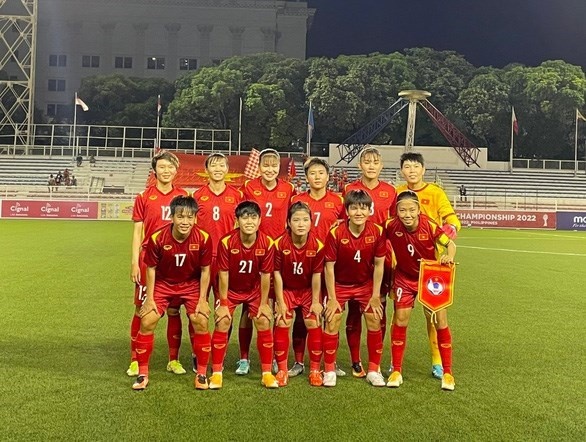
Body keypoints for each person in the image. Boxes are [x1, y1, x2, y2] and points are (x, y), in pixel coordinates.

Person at [132, 196, 213, 390]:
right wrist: (149, 299)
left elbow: (205, 270)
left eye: (190, 217)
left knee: (201, 320)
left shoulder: (203, 238)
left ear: (195, 218)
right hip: (163, 284)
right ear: (172, 217)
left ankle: (202, 374)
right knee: (147, 320)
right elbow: (151, 269)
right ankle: (142, 374)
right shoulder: (157, 238)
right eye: (180, 217)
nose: (185, 222)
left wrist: (203, 300)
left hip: (190, 285)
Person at [395, 152, 460, 379]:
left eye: (416, 167)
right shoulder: (398, 193)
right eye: (407, 167)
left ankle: (437, 361)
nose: (411, 171)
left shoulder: (435, 192)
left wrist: (448, 233)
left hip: (432, 265)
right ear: (401, 171)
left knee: (433, 316)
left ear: (423, 169)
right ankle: (395, 364)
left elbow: (452, 220)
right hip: (402, 264)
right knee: (399, 314)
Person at [385, 191, 456, 390]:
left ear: (418, 210)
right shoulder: (390, 225)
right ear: (397, 211)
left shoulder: (430, 225)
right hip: (404, 277)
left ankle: (447, 372)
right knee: (400, 319)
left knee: (440, 320)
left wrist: (448, 256)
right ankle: (396, 370)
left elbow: (450, 244)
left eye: (411, 210)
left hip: (430, 277)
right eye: (402, 210)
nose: (407, 214)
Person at [127, 151, 190, 378]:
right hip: (149, 258)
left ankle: (173, 359)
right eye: (162, 167)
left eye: (170, 167)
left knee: (174, 309)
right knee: (141, 309)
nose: (166, 171)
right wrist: (135, 262)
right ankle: (135, 360)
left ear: (176, 170)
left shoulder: (183, 196)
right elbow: (137, 233)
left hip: (175, 260)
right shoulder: (144, 196)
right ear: (154, 170)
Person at [237, 149, 295, 375]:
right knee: (248, 306)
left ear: (279, 168)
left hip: (279, 251)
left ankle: (274, 357)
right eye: (266, 165)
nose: (270, 169)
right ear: (259, 167)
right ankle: (244, 358)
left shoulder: (288, 188)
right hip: (255, 251)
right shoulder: (249, 187)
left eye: (274, 165)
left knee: (276, 304)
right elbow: (243, 216)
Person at [209, 201, 278, 389]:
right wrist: (223, 303)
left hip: (254, 291)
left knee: (263, 320)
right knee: (223, 321)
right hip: (230, 290)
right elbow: (223, 274)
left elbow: (266, 275)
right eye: (245, 217)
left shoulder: (267, 243)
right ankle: (216, 373)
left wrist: (263, 303)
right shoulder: (226, 242)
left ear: (260, 220)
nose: (249, 221)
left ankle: (266, 374)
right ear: (237, 220)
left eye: (253, 217)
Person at [322, 190, 387, 387]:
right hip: (339, 285)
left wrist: (375, 295)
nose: (359, 212)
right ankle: (329, 369)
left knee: (375, 318)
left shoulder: (377, 231)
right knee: (332, 319)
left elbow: (379, 265)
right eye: (354, 208)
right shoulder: (336, 233)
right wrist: (332, 298)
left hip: (364, 285)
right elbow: (329, 267)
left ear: (369, 210)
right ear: (347, 211)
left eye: (363, 208)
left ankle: (374, 370)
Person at [342, 146, 396, 377]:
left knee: (378, 308)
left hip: (381, 257)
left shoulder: (390, 191)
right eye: (367, 162)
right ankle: (355, 361)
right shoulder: (350, 189)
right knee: (354, 309)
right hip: (355, 256)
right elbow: (342, 221)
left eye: (375, 162)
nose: (371, 166)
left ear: (381, 166)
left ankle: (376, 362)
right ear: (359, 165)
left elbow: (394, 224)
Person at [288, 157, 344, 377]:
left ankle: (330, 361)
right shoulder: (297, 200)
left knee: (331, 314)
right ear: (306, 177)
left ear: (328, 176)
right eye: (312, 173)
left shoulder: (338, 201)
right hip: (303, 264)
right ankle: (298, 361)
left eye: (321, 173)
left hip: (329, 265)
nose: (317, 177)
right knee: (302, 315)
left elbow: (344, 227)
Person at [273, 202, 326, 387]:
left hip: (308, 290)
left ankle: (314, 370)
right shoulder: (279, 243)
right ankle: (282, 370)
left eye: (305, 220)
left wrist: (316, 301)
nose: (301, 224)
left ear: (311, 222)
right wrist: (280, 302)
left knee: (313, 321)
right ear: (288, 222)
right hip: (287, 289)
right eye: (296, 220)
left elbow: (317, 275)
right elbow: (277, 274)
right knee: (283, 320)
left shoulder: (318, 245)